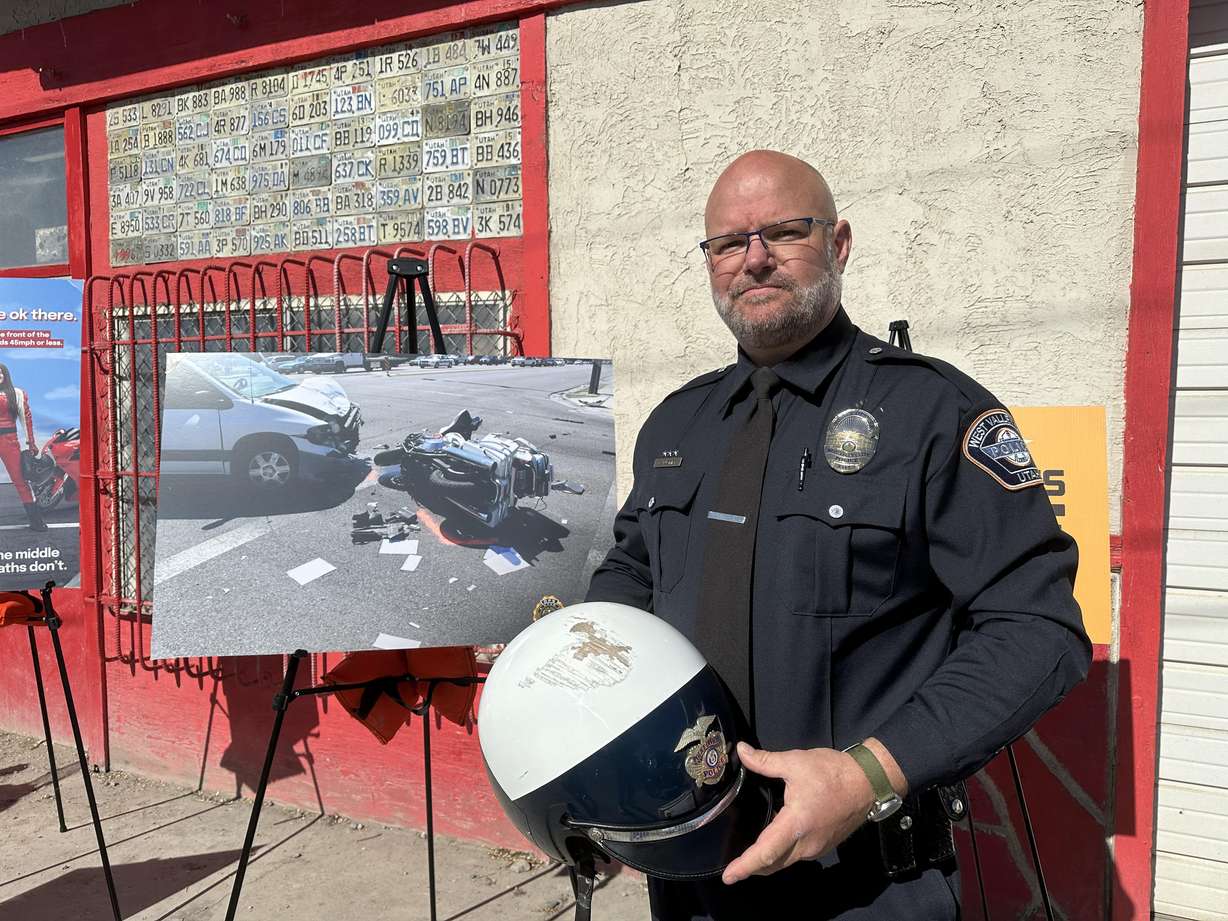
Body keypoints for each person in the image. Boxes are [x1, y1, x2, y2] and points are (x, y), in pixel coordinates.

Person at [586, 151, 1091, 919]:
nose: (753, 258)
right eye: (728, 242)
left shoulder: (933, 413)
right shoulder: (678, 423)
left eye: (783, 232)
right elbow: (632, 570)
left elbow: (1038, 626)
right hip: (691, 876)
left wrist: (868, 774)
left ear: (839, 243)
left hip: (863, 883)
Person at [0, 362, 46, 531]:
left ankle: (37, 521)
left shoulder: (17, 393)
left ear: (5, 375)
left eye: (0, 373)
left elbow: (26, 420)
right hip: (8, 440)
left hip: (9, 440)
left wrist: (31, 443)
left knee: (21, 481)